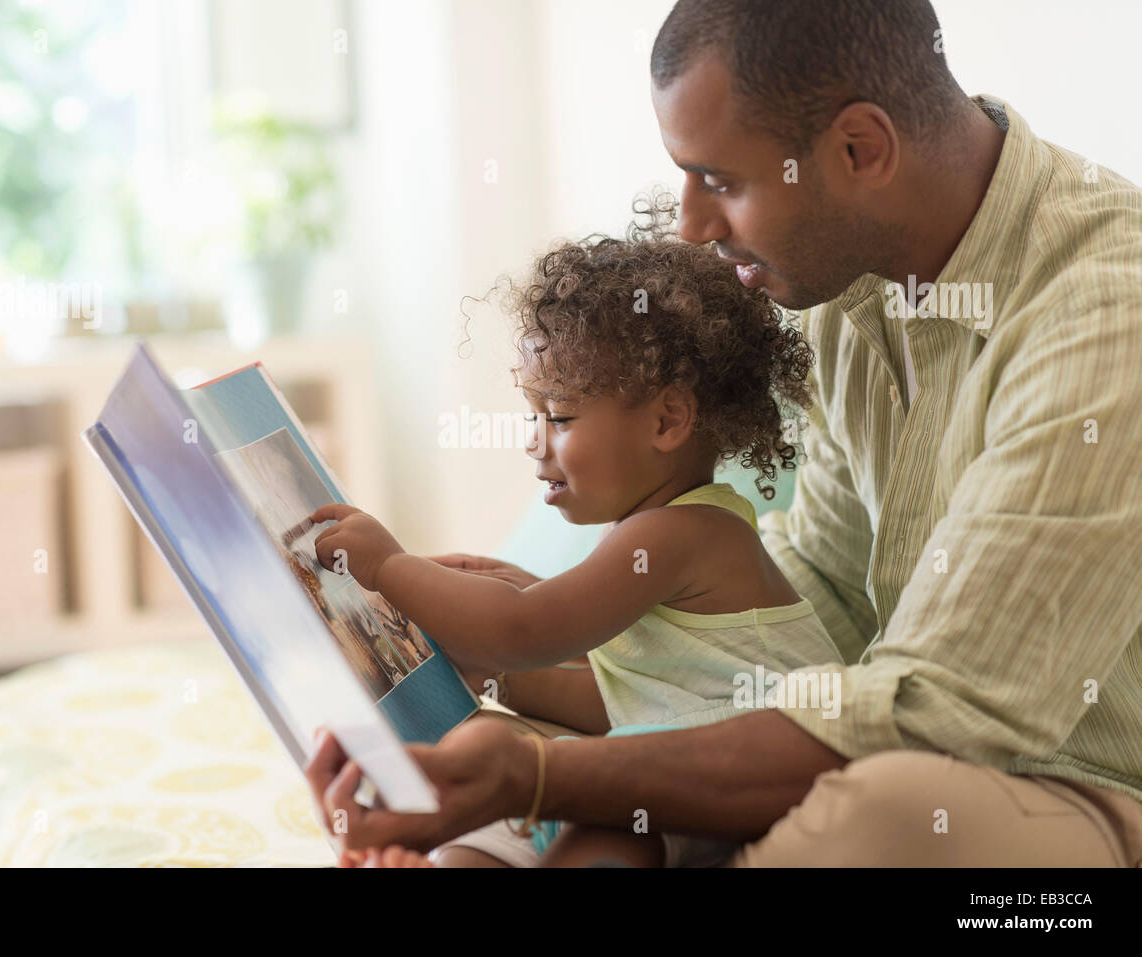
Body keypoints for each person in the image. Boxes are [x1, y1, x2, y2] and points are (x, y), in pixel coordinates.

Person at [307, 0, 1142, 867]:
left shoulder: (1106, 315)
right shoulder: (848, 288)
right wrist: (601, 639)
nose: (692, 226)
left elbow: (936, 716)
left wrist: (545, 775)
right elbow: (827, 594)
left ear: (861, 149)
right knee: (500, 733)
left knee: (882, 813)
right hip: (890, 748)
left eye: (720, 181)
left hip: (1082, 796)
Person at [309, 223, 845, 867]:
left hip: (746, 773)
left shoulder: (684, 534)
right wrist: (503, 676)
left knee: (598, 827)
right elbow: (628, 693)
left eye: (559, 416)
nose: (534, 442)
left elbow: (522, 630)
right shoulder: (652, 533)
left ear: (668, 420)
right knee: (496, 813)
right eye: (533, 415)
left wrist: (390, 566)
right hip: (670, 755)